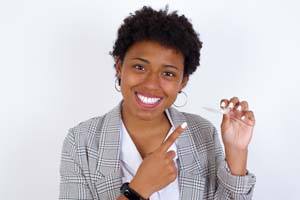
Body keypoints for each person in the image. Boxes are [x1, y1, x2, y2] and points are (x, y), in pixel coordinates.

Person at [59, 6, 256, 200]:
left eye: (168, 73)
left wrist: (237, 152)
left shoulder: (203, 133)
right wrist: (138, 190)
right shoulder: (81, 142)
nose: (152, 84)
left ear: (183, 81)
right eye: (139, 67)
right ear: (119, 67)